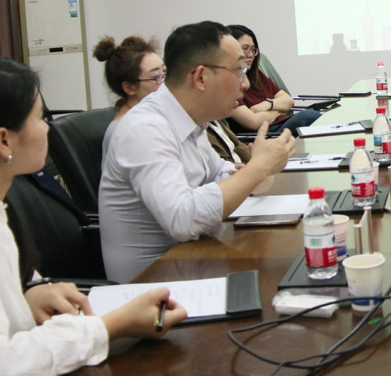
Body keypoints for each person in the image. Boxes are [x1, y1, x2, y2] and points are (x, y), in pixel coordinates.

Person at [0, 57, 186, 376]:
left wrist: (29, 294)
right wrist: (113, 325)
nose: (47, 128)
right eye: (40, 118)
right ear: (4, 141)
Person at [99, 21, 296, 282]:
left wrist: (249, 174)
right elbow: (182, 220)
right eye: (239, 70)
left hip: (197, 260)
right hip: (154, 286)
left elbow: (220, 171)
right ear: (201, 77)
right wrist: (256, 170)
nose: (246, 84)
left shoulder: (192, 119)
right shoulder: (144, 129)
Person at [226, 24, 321, 136]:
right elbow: (253, 122)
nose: (251, 54)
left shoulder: (256, 74)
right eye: (245, 49)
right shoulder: (228, 82)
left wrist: (267, 105)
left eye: (253, 49)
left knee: (317, 117)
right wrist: (278, 110)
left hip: (281, 124)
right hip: (265, 135)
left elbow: (288, 100)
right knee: (309, 116)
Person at [92, 36, 165, 153]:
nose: (165, 83)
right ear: (129, 88)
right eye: (156, 77)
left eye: (165, 72)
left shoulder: (152, 118)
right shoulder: (128, 132)